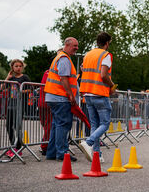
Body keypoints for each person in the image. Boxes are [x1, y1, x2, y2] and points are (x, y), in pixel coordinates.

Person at [78, 32, 116, 162]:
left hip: (87, 93)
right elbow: (104, 75)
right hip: (99, 92)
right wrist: (112, 86)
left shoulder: (88, 55)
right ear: (107, 43)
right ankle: (88, 142)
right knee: (105, 124)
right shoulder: (106, 55)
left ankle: (96, 154)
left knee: (94, 124)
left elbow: (83, 69)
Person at [44, 38, 79, 161]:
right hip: (60, 97)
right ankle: (62, 153)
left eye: (77, 46)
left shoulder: (61, 57)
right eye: (74, 45)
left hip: (53, 96)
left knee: (56, 125)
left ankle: (52, 153)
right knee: (63, 124)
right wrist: (70, 95)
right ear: (67, 45)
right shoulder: (64, 59)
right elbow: (63, 78)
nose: (76, 48)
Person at [4, 59, 31, 158]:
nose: (18, 68)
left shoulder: (25, 77)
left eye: (20, 66)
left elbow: (30, 88)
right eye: (16, 66)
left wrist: (20, 91)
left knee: (17, 126)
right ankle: (13, 145)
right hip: (11, 104)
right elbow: (3, 87)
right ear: (12, 67)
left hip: (20, 105)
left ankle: (18, 148)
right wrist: (7, 77)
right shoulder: (11, 78)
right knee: (8, 126)